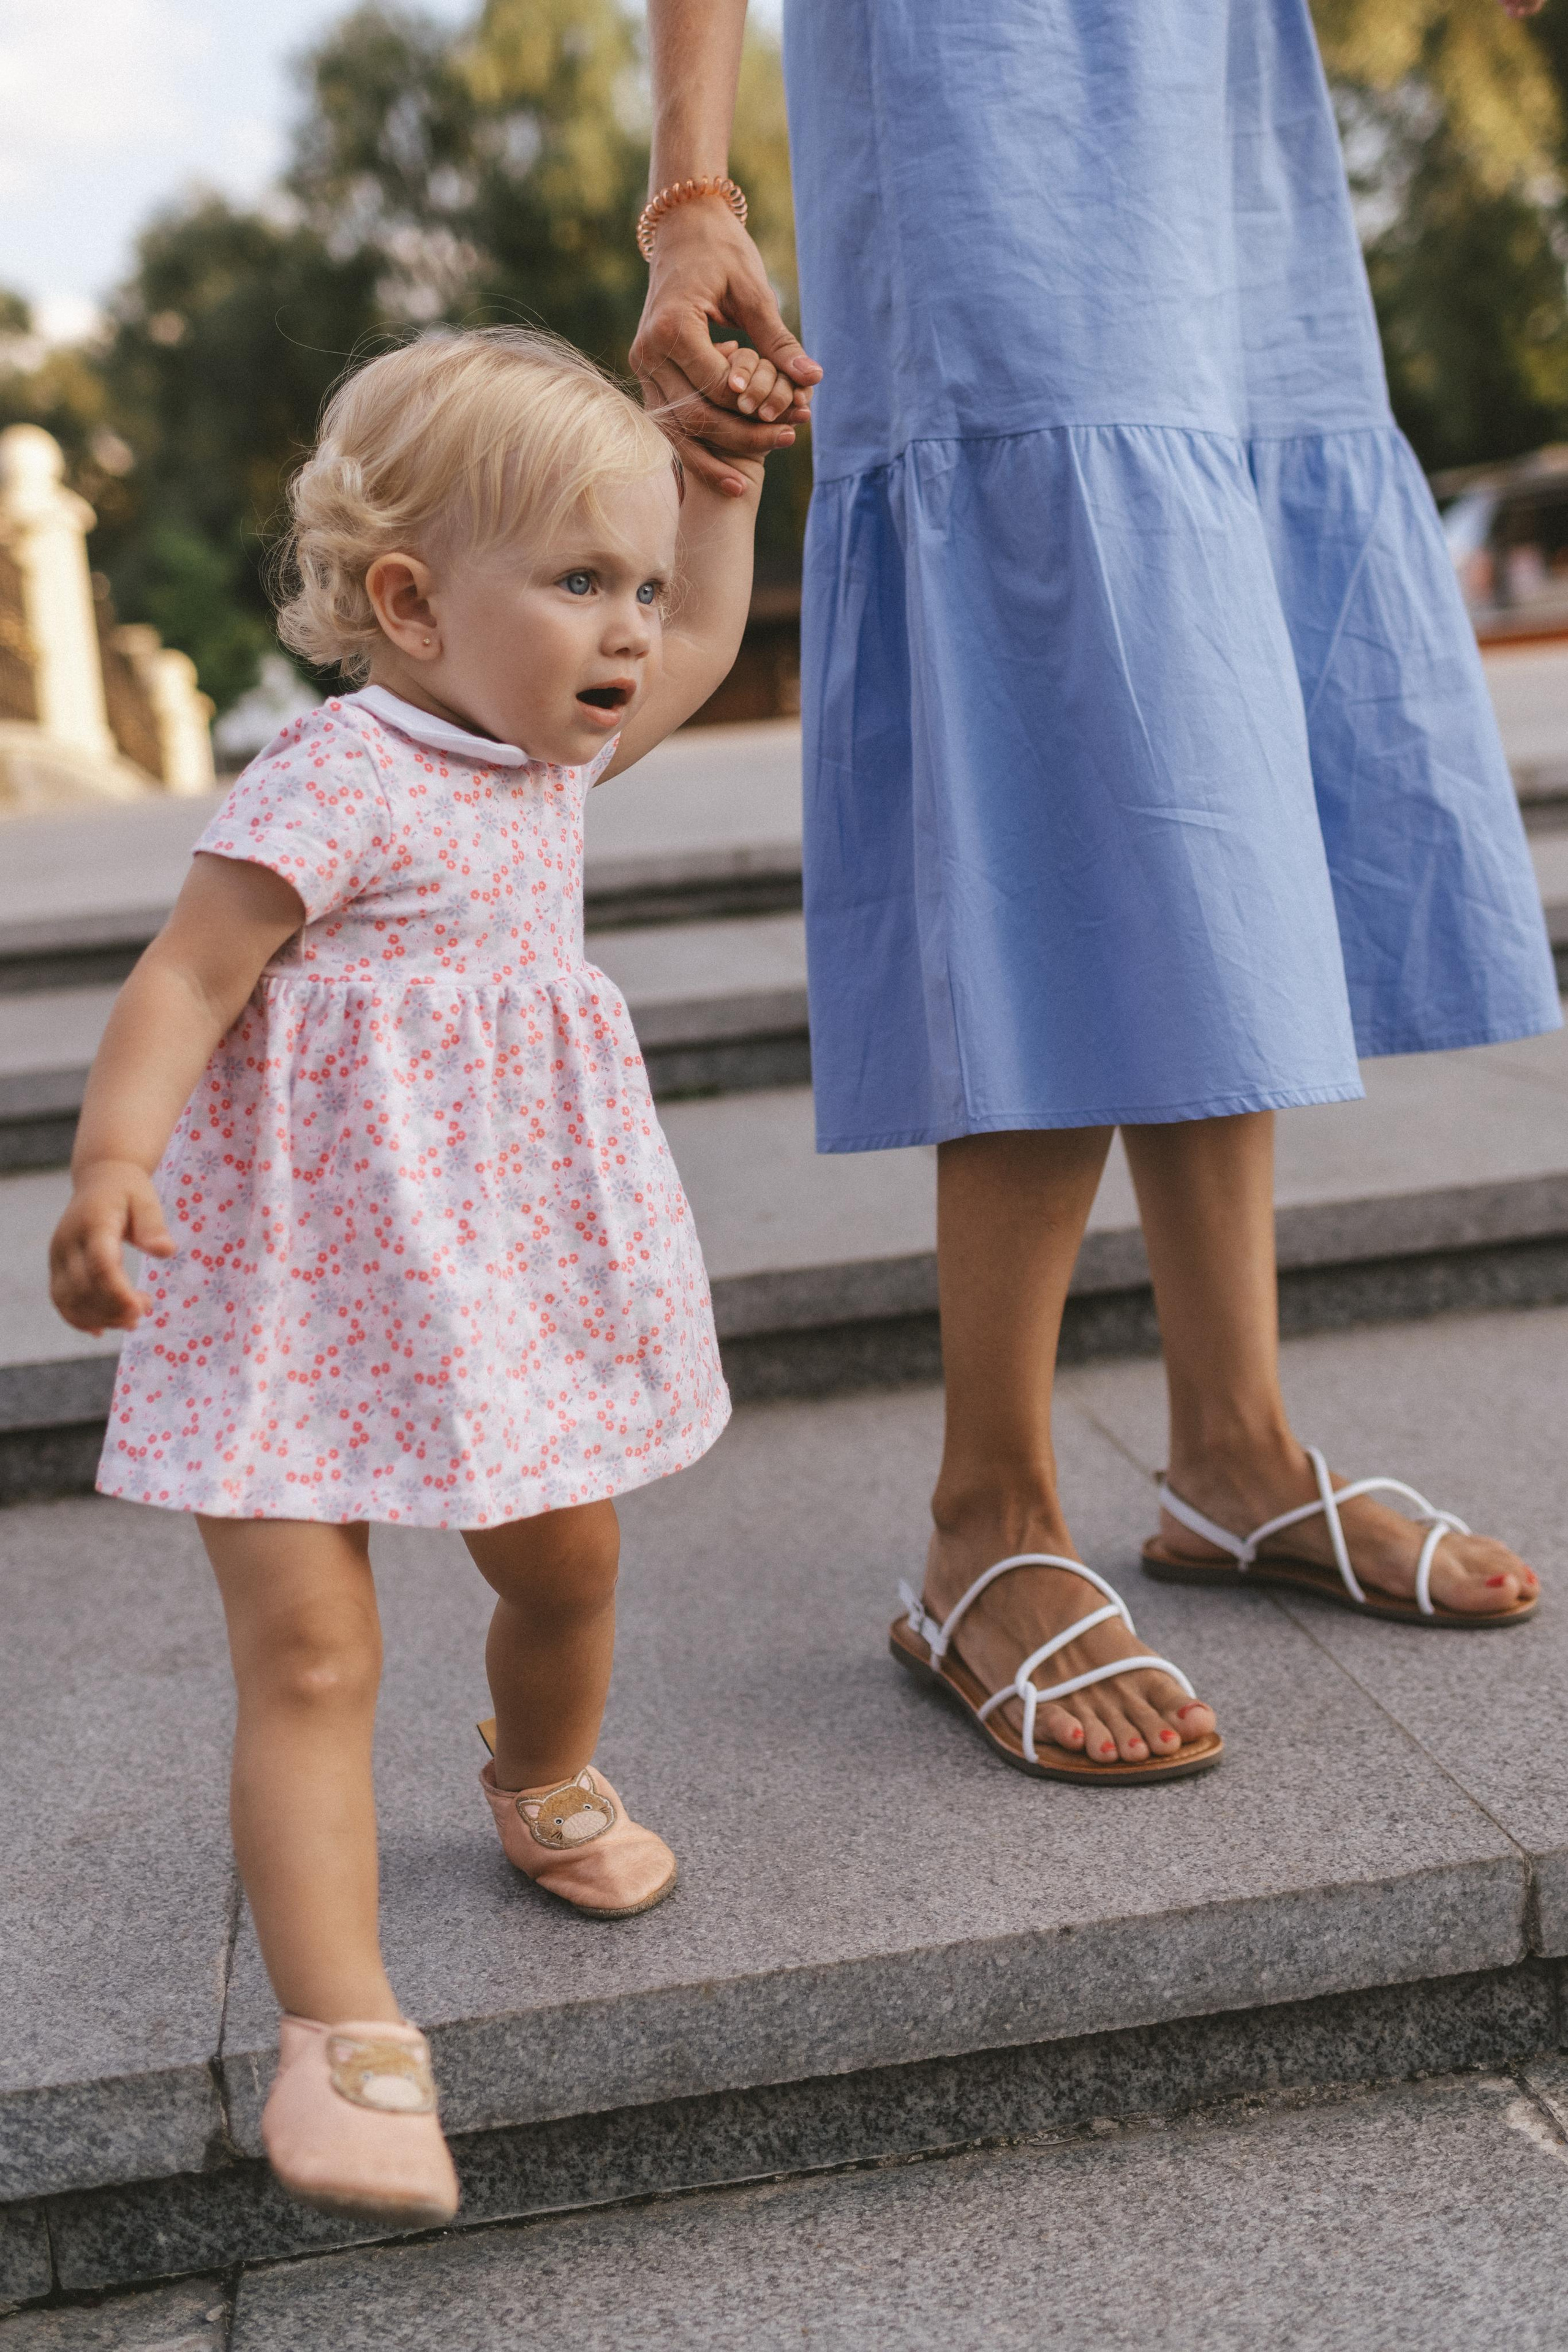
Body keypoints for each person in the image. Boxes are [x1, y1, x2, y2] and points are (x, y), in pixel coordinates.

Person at [631, 0, 1554, 1785]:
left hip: (1208, 77)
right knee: (1062, 691)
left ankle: (1233, 1449)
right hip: (982, 76)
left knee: (1210, 690)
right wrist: (691, 188)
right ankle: (987, 1510)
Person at [47, 326, 792, 2224]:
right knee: (312, 1652)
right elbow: (192, 976)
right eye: (577, 583)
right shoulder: (338, 777)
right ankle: (343, 2033)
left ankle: (539, 1774)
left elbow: (705, 647)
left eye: (632, 584)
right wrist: (116, 1161)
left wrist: (725, 494)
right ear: (408, 599)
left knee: (569, 1563)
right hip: (295, 1292)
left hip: (506, 1283)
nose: (632, 630)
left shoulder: (548, 755)